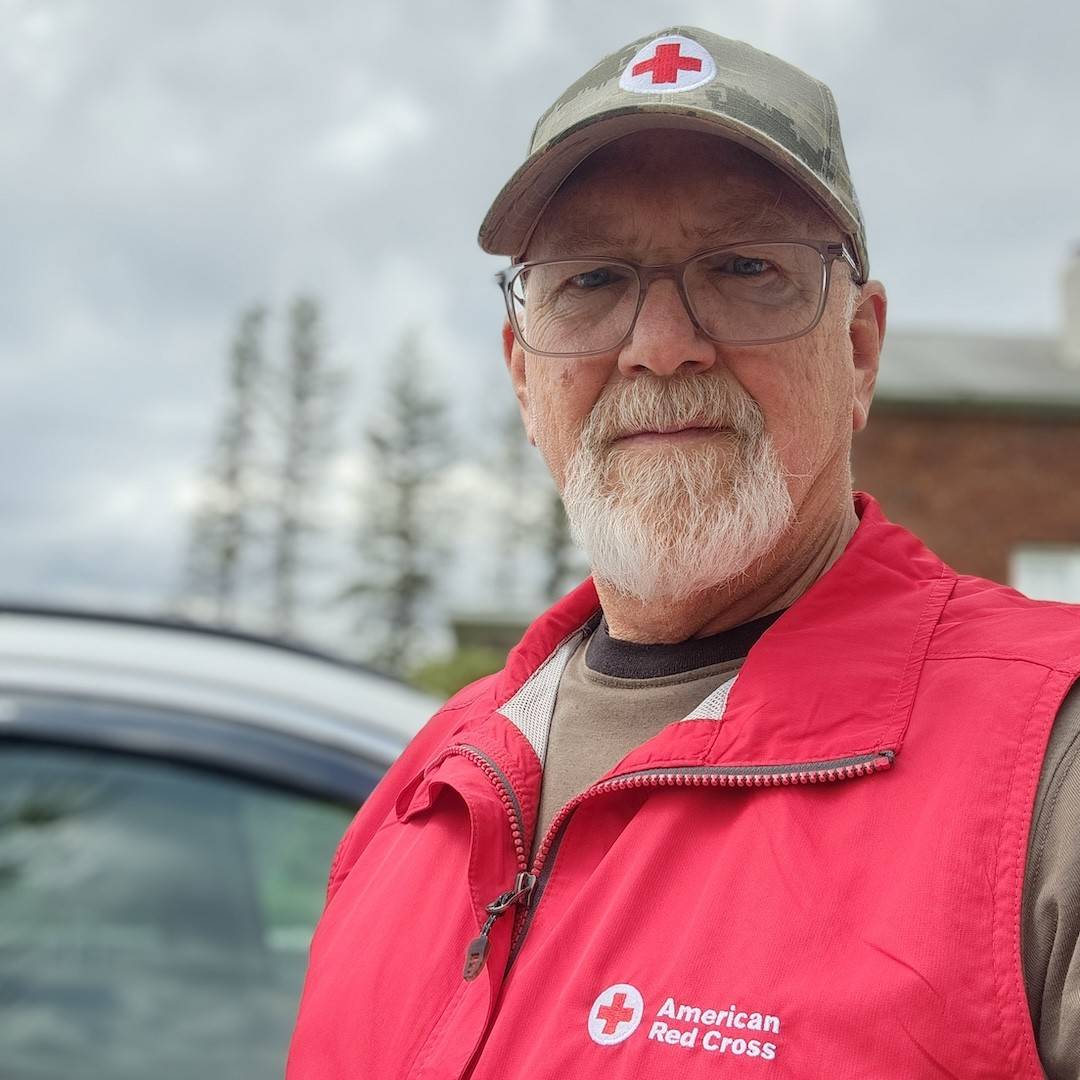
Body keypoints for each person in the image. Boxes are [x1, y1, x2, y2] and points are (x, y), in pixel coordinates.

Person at [287, 26, 1080, 1079]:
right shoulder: (420, 794)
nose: (660, 343)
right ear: (524, 376)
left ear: (858, 351)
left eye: (747, 267)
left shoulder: (1050, 777)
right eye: (593, 280)